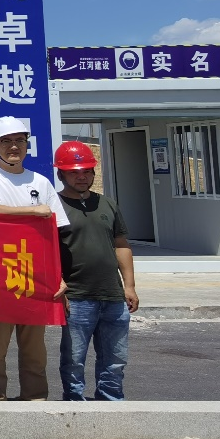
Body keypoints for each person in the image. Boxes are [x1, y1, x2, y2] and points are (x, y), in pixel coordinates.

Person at [0, 116, 71, 401]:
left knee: (34, 348)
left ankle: (35, 400)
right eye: (6, 141)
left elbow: (57, 234)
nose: (14, 146)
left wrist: (59, 276)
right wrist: (33, 210)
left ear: (27, 144)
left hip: (34, 275)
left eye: (19, 141)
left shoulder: (40, 182)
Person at [54, 141, 139, 401]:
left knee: (115, 359)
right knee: (73, 360)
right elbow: (46, 251)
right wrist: (59, 286)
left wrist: (129, 286)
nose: (82, 177)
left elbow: (121, 245)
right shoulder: (54, 207)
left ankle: (111, 403)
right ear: (61, 174)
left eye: (87, 171)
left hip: (113, 296)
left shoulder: (107, 204)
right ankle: (74, 405)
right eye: (74, 172)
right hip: (76, 297)